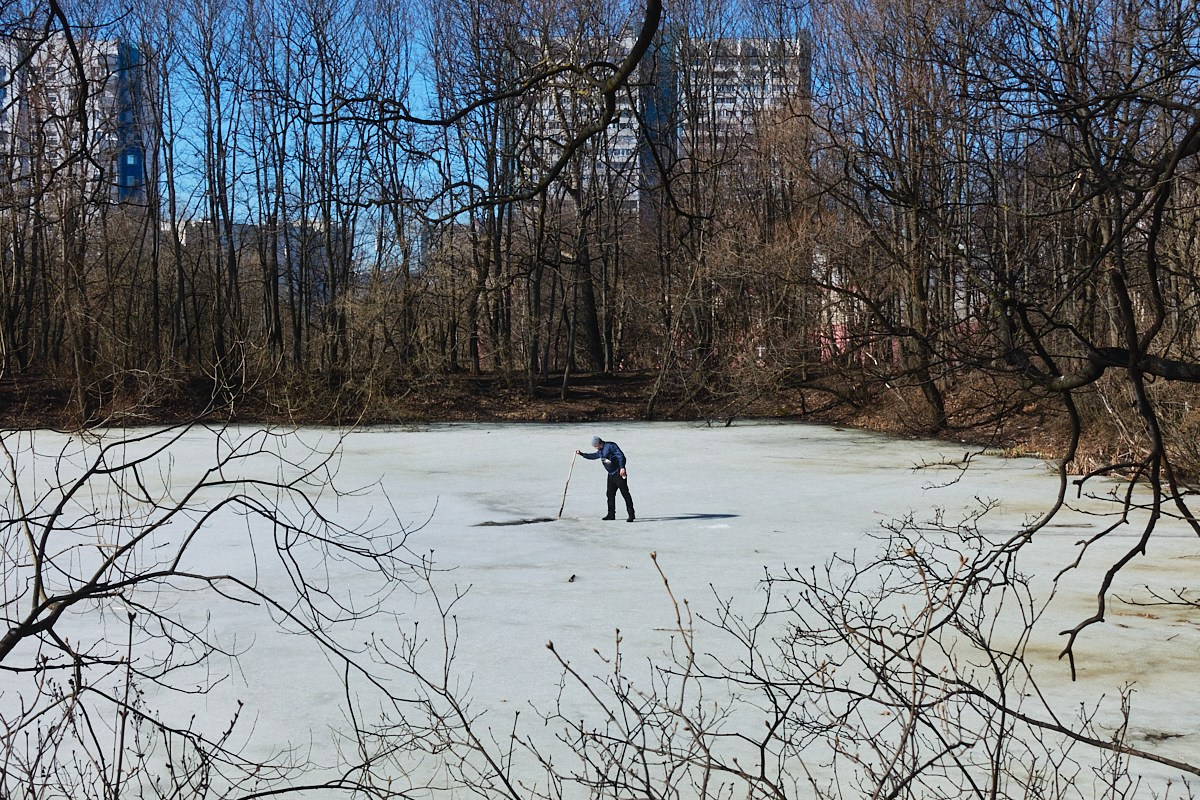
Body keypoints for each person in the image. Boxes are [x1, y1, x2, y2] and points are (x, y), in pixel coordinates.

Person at [577, 436, 635, 522]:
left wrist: (622, 467)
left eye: (595, 446)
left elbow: (621, 456)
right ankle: (611, 514)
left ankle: (631, 514)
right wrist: (582, 454)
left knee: (625, 493)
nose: (595, 448)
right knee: (610, 494)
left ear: (598, 444)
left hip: (619, 473)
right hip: (611, 475)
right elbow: (594, 456)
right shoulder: (600, 451)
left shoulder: (611, 446)